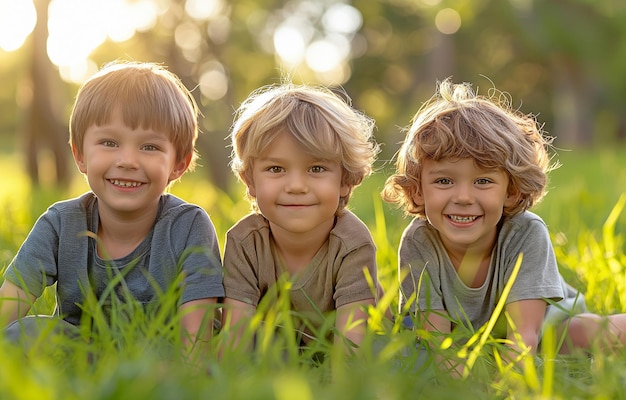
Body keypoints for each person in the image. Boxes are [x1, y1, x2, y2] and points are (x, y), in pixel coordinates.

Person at [382, 78, 626, 374]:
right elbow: (437, 343)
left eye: (483, 181)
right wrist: (463, 376)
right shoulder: (419, 241)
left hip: (549, 326)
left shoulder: (525, 233)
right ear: (419, 190)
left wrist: (507, 376)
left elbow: (524, 336)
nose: (462, 197)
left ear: (511, 190)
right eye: (444, 181)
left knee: (593, 333)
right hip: (471, 341)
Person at [0, 61, 224, 357]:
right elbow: (8, 307)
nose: (128, 160)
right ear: (80, 155)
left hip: (158, 362)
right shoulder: (60, 224)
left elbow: (195, 344)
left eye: (149, 147)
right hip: (80, 355)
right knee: (24, 332)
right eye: (109, 142)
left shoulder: (189, 227)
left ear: (178, 164)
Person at [221, 83, 380, 354]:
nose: (296, 185)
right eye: (276, 168)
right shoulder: (245, 242)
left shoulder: (352, 243)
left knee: (390, 353)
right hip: (278, 352)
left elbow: (352, 342)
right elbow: (235, 339)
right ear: (250, 181)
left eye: (316, 168)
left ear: (346, 180)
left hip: (345, 344)